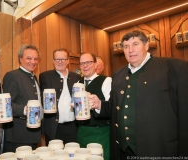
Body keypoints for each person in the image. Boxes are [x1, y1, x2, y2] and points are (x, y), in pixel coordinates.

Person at [89, 30, 188, 159]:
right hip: (124, 151)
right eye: (126, 46)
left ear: (146, 46)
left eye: (135, 44)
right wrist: (99, 104)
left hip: (158, 150)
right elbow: (116, 108)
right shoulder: (118, 75)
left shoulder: (174, 68)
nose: (130, 50)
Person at [2, 44, 41, 152]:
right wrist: (25, 109)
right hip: (18, 135)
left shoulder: (33, 77)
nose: (33, 62)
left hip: (33, 133)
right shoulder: (12, 76)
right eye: (29, 58)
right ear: (20, 59)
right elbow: (6, 105)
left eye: (35, 59)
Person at [39, 48, 81, 145]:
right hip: (54, 127)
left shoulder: (76, 77)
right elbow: (42, 100)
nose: (60, 62)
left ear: (68, 61)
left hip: (73, 126)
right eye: (57, 59)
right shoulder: (45, 76)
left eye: (63, 59)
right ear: (53, 61)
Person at [78, 53, 112, 160]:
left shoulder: (106, 81)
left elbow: (111, 106)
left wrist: (97, 104)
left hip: (100, 132)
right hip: (81, 131)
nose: (85, 66)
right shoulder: (77, 83)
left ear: (95, 64)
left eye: (88, 62)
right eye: (82, 63)